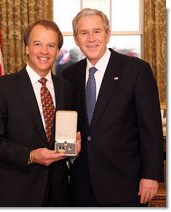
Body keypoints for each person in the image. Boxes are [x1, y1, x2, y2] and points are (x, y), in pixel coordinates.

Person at [62, 8, 164, 207]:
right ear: (76, 38)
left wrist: (151, 175)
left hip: (125, 185)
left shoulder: (136, 70)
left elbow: (151, 129)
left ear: (107, 34)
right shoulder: (69, 75)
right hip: (81, 186)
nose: (91, 38)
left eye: (97, 31)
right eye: (84, 33)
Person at [0, 19, 81, 207]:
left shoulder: (66, 88)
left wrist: (74, 149)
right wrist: (31, 155)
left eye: (51, 45)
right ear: (26, 48)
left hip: (59, 195)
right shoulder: (1, 87)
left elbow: (65, 137)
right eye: (38, 44)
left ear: (57, 51)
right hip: (16, 193)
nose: (44, 51)